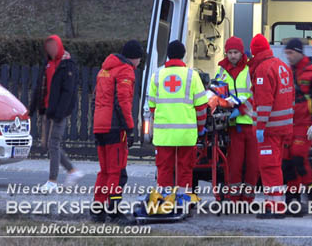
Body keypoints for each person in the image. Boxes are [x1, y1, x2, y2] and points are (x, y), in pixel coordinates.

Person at [91, 40, 144, 223]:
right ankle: (114, 211)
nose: (139, 64)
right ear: (135, 58)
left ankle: (97, 210)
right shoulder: (125, 71)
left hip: (100, 126)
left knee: (104, 171)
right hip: (115, 128)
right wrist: (129, 127)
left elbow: (95, 99)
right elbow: (123, 102)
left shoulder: (103, 70)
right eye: (139, 59)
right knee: (117, 172)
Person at [148, 40, 208, 200]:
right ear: (184, 55)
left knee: (164, 169)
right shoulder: (192, 76)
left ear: (167, 55)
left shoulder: (157, 76)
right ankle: (183, 201)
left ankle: (164, 200)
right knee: (185, 169)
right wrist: (200, 127)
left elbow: (152, 107)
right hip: (186, 135)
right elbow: (201, 107)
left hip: (164, 135)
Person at [248, 34, 295, 219]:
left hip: (270, 129)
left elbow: (265, 103)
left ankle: (276, 206)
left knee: (269, 166)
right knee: (275, 165)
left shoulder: (262, 70)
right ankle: (271, 202)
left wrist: (260, 126)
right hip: (283, 127)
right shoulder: (282, 65)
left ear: (254, 51)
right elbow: (290, 96)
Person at [283, 39, 312, 216]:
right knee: (287, 161)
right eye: (286, 53)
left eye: (291, 53)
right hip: (289, 122)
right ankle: (293, 198)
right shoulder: (288, 71)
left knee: (298, 157)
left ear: (299, 52)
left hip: (306, 124)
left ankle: (311, 190)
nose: (288, 56)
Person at [29, 35, 83, 192]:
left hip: (58, 112)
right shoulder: (47, 63)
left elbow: (69, 92)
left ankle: (52, 181)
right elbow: (40, 86)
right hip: (47, 110)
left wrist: (60, 112)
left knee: (53, 143)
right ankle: (73, 171)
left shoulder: (68, 65)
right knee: (48, 144)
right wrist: (32, 109)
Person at [213, 37, 257, 203]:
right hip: (233, 125)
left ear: (241, 52)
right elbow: (218, 91)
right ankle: (234, 198)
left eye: (235, 52)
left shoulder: (250, 69)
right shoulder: (222, 71)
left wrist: (241, 108)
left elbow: (255, 93)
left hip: (251, 122)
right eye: (230, 52)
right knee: (234, 164)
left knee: (253, 164)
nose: (232, 56)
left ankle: (248, 198)